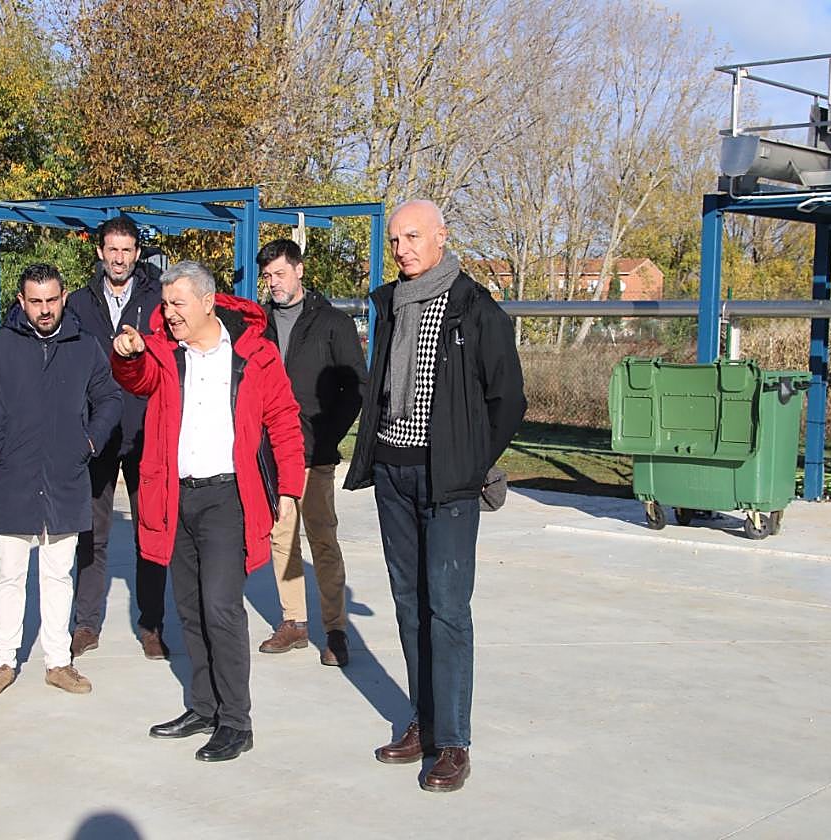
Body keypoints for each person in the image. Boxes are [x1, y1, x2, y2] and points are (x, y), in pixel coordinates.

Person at [344, 200, 526, 793]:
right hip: (394, 475)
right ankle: (422, 721)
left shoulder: (473, 308)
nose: (402, 249)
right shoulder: (391, 305)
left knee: (447, 610)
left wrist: (471, 462)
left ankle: (453, 742)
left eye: (413, 237)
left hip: (447, 482)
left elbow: (509, 399)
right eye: (395, 240)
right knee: (407, 602)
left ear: (442, 238)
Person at [111, 260, 304, 762]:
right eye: (165, 304)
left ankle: (237, 721)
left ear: (206, 302)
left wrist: (289, 488)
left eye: (178, 304)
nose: (168, 313)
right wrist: (127, 354)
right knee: (189, 608)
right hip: (176, 495)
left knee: (221, 607)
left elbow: (283, 418)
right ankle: (203, 706)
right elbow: (137, 378)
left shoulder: (253, 355)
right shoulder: (164, 353)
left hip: (227, 499)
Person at [0, 264, 122, 697]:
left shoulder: (84, 346)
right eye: (35, 301)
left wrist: (88, 443)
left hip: (65, 476)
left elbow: (109, 397)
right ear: (21, 301)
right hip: (12, 477)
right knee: (8, 575)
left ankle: (58, 662)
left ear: (64, 297)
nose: (44, 310)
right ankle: (2, 661)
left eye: (51, 300)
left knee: (59, 575)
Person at [255, 239, 367, 666]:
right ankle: (294, 623)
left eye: (280, 274)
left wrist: (326, 438)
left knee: (322, 539)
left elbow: (355, 386)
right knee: (281, 539)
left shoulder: (332, 323)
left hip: (315, 452)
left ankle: (336, 630)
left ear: (299, 270)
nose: (274, 283)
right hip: (272, 454)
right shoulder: (259, 323)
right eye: (267, 277)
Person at [65, 217, 166, 661]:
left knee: (151, 531)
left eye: (127, 250)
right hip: (97, 432)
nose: (119, 258)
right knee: (92, 532)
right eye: (112, 249)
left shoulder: (158, 298)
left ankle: (151, 625)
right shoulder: (79, 302)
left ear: (137, 254)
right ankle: (86, 623)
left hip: (146, 428)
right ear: (100, 252)